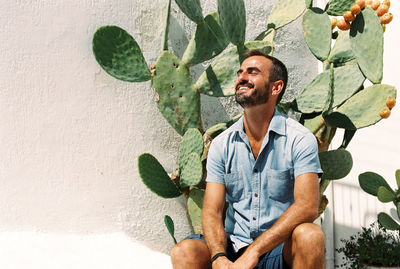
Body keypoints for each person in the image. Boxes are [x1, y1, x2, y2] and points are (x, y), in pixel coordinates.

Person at [171, 49, 325, 269]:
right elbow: (212, 211)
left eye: (252, 72)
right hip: (233, 247)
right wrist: (218, 257)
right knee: (184, 252)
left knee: (310, 235)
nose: (241, 77)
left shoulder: (299, 140)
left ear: (276, 87)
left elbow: (307, 206)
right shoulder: (222, 144)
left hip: (278, 251)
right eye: (240, 72)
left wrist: (254, 251)